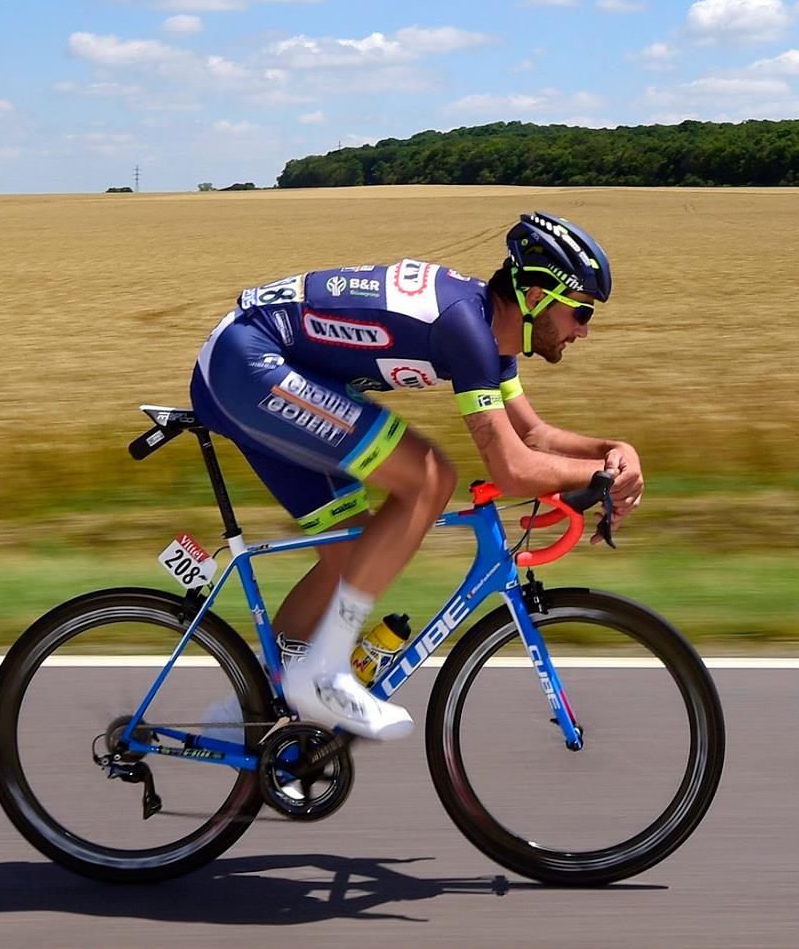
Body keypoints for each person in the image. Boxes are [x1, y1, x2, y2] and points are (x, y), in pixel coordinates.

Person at [187, 211, 642, 740]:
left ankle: (262, 712)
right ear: (537, 296)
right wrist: (601, 478)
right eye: (581, 310)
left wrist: (613, 451)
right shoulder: (466, 329)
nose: (585, 328)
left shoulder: (494, 338)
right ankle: (324, 673)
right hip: (249, 362)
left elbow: (534, 437)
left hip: (256, 367)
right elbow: (511, 469)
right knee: (428, 478)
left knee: (354, 553)